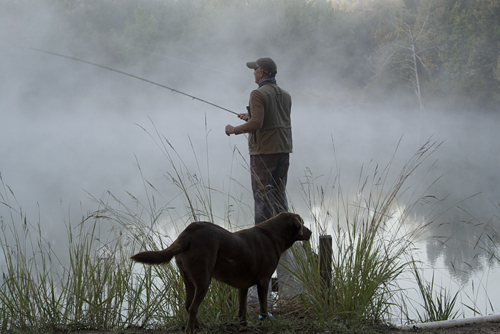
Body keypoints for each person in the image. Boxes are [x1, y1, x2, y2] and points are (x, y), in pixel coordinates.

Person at [225, 57, 292, 225]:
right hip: (283, 150)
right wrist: (250, 115)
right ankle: (285, 234)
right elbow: (273, 118)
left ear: (261, 73)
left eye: (255, 70)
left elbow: (257, 124)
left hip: (263, 153)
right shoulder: (285, 94)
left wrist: (234, 130)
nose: (253, 73)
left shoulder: (257, 94)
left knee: (262, 196)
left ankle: (263, 240)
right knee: (278, 194)